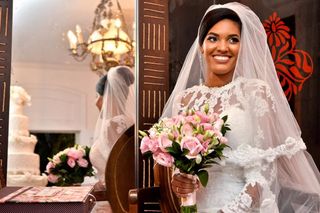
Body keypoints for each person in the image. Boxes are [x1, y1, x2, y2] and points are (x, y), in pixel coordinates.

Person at [163, 2, 320, 212]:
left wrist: (229, 211)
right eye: (213, 38)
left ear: (242, 46)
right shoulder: (184, 100)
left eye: (233, 40)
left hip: (246, 206)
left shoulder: (256, 93)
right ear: (201, 46)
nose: (222, 47)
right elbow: (181, 166)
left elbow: (263, 173)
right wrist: (180, 180)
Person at [89, 65, 135, 190]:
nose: (95, 101)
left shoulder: (113, 125)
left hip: (115, 195)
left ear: (106, 98)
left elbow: (119, 170)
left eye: (97, 96)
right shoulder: (128, 121)